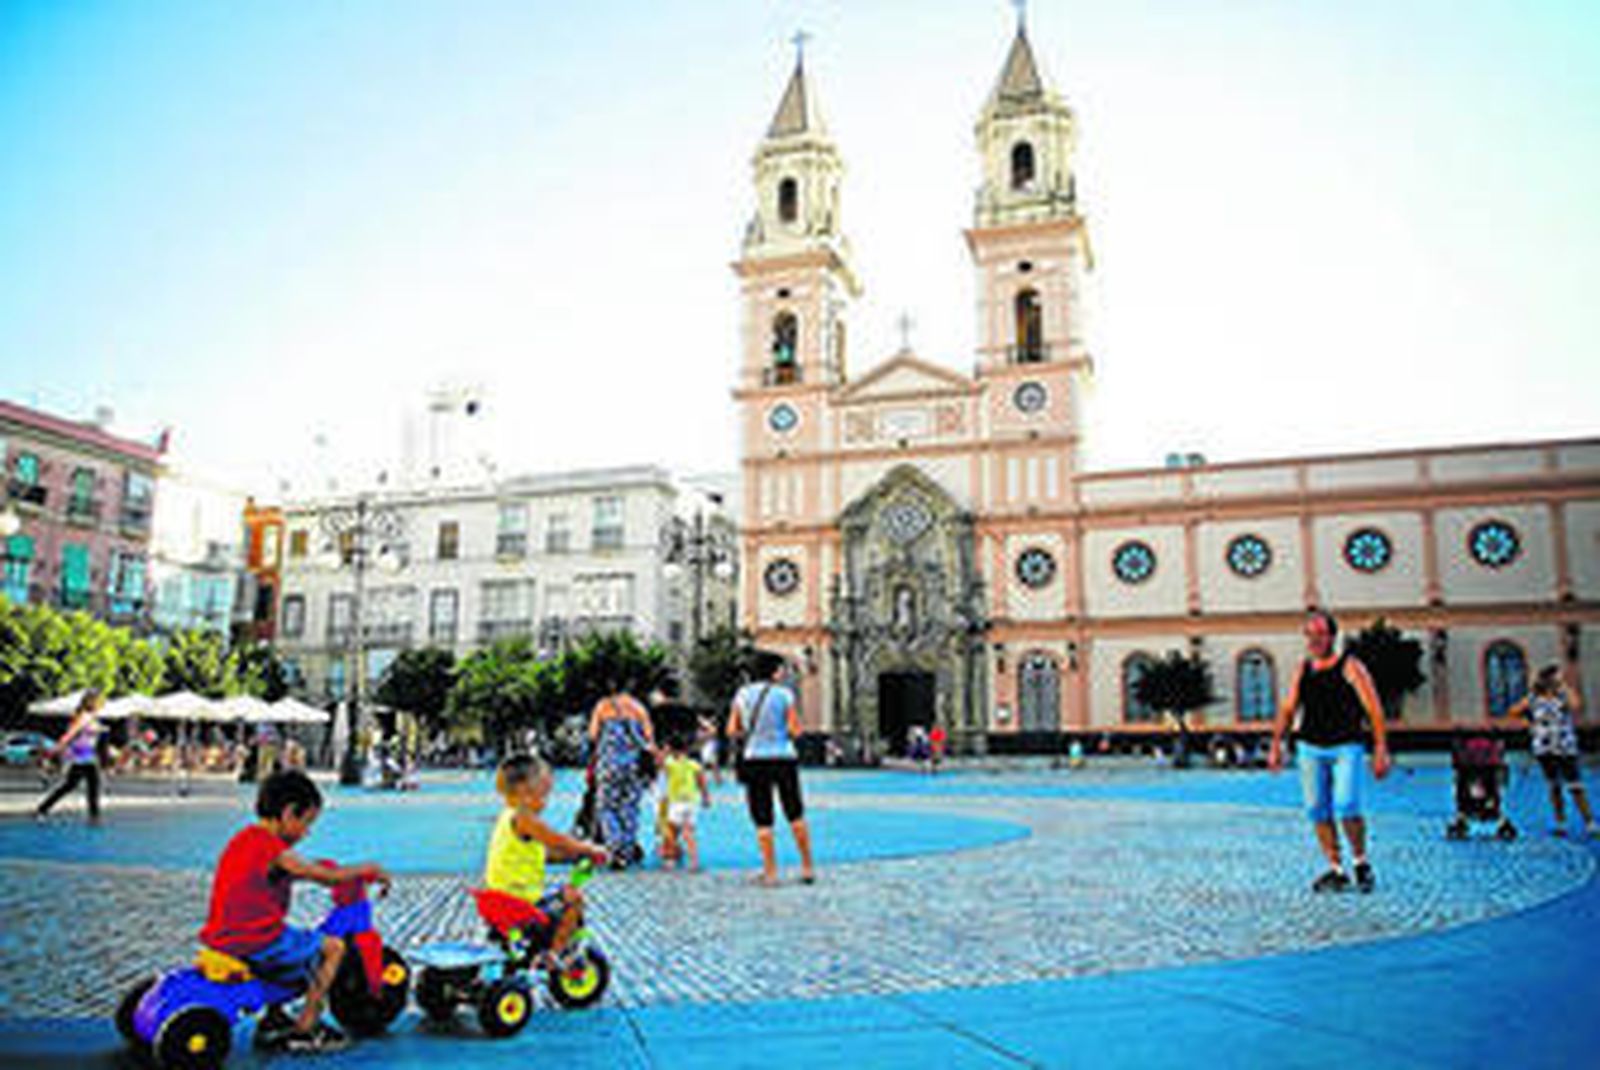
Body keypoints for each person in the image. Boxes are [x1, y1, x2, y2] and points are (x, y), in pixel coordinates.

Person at [199, 770, 391, 1054]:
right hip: (256, 940)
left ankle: (274, 1017)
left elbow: (283, 872)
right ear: (289, 813)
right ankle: (307, 1025)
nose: (307, 832)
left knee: (292, 942)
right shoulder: (272, 848)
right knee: (333, 948)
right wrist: (367, 870)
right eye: (307, 823)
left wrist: (320, 866)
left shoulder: (246, 840)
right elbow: (322, 877)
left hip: (226, 936)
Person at [1269, 609, 1392, 894]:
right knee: (1317, 810)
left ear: (1332, 637)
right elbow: (1288, 708)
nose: (1314, 640)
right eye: (1310, 634)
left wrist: (1380, 747)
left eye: (1320, 634)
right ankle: (1336, 869)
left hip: (1346, 746)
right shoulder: (1303, 670)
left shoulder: (1351, 667)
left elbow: (1373, 709)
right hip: (1310, 747)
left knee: (1347, 804)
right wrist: (1276, 744)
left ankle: (1360, 861)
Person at [484, 754, 608, 962]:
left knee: (558, 895)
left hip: (498, 895)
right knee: (573, 900)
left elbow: (542, 853)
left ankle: (537, 947)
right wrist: (589, 849)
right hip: (519, 898)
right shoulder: (524, 817)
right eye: (543, 795)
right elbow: (556, 841)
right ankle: (554, 954)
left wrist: (569, 858)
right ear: (525, 792)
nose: (545, 804)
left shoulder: (507, 817)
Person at [728, 651, 816, 887]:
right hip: (784, 758)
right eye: (781, 669)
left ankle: (770, 872)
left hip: (754, 759)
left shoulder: (742, 695)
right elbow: (795, 730)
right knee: (794, 812)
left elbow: (731, 729)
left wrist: (753, 733)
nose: (783, 673)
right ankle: (807, 867)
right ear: (774, 672)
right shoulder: (785, 695)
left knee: (763, 817)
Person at [1509, 663, 1594, 837]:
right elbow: (1513, 710)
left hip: (1565, 746)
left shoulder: (1563, 696)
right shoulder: (1534, 698)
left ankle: (1589, 822)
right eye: (1556, 676)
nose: (1558, 679)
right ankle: (1560, 822)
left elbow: (1576, 705)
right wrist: (1529, 722)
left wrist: (1565, 687)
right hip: (1544, 747)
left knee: (1576, 786)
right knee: (1554, 786)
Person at [587, 679, 658, 869]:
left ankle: (615, 848)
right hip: (633, 765)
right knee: (630, 807)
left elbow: (593, 735)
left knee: (607, 806)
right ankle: (627, 849)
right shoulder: (638, 708)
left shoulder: (603, 706)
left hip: (609, 764)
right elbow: (649, 739)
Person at [36, 689, 106, 823]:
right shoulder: (83, 716)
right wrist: (56, 749)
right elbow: (70, 734)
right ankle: (94, 817)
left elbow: (89, 732)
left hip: (87, 754)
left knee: (71, 785)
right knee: (92, 785)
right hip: (83, 755)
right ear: (93, 702)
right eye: (100, 702)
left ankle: (43, 808)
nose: (101, 705)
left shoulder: (90, 716)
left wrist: (99, 730)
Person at [661, 738, 712, 871]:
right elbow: (702, 782)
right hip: (691, 801)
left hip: (676, 801)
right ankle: (694, 861)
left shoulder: (670, 763)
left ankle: (670, 860)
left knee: (671, 831)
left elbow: (659, 762)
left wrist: (664, 752)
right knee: (688, 833)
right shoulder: (694, 764)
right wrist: (706, 797)